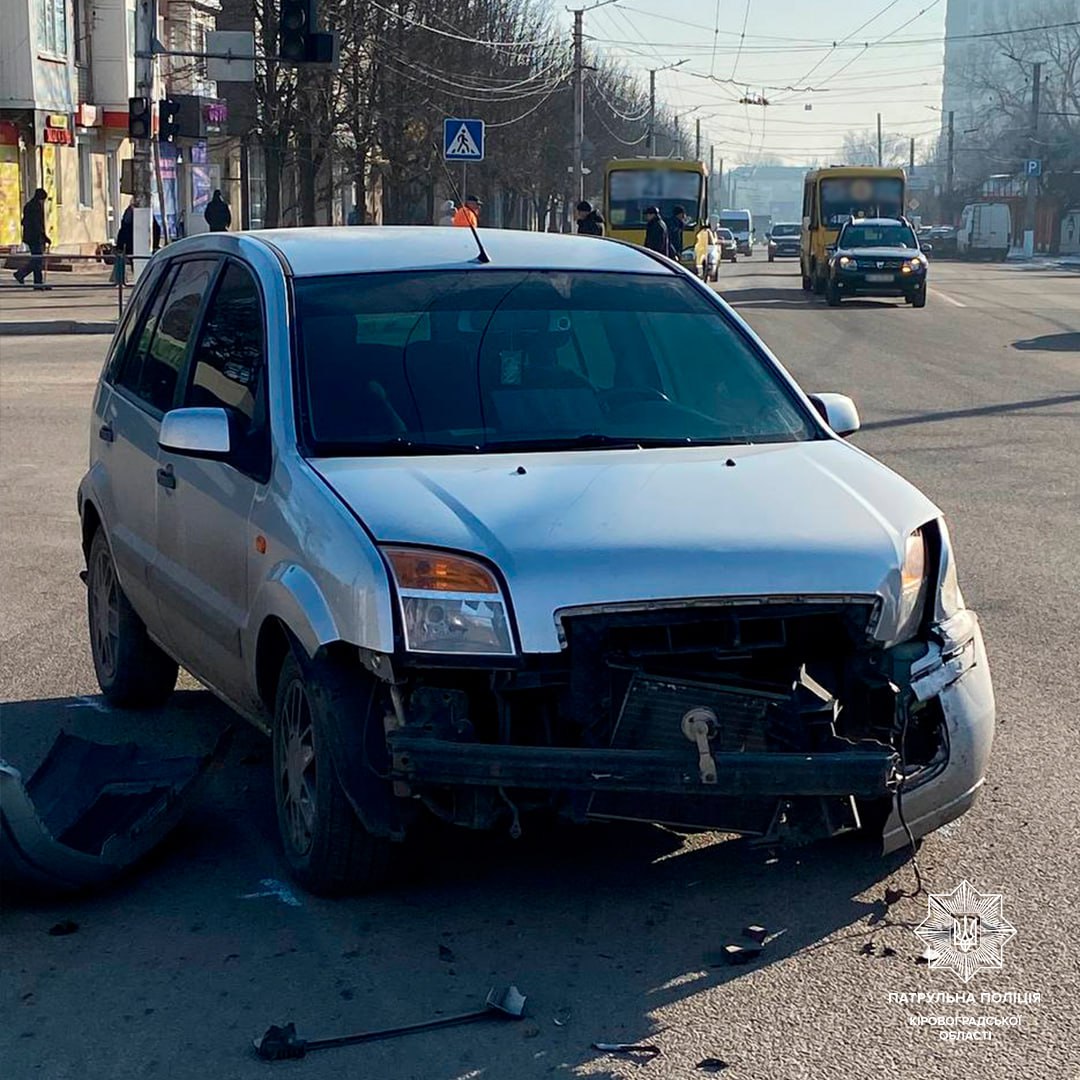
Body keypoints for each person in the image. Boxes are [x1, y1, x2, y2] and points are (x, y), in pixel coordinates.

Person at [13, 188, 50, 289]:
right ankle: (24, 275)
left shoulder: (28, 205)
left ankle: (36, 282)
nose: (43, 202)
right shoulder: (36, 207)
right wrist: (44, 236)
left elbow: (24, 221)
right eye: (43, 200)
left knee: (37, 259)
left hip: (29, 237)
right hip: (35, 237)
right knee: (37, 260)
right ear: (40, 198)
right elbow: (37, 224)